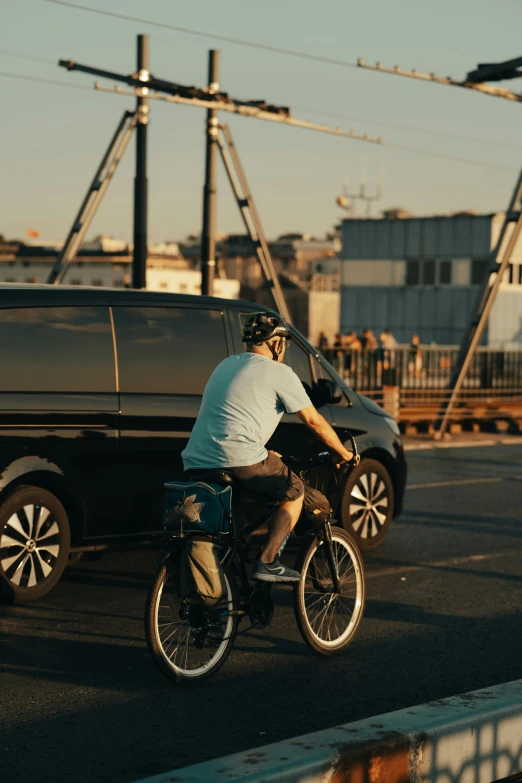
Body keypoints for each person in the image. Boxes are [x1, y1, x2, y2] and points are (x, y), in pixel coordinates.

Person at [182, 312, 354, 583]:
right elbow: (314, 421)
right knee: (294, 491)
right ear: (276, 344)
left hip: (196, 460)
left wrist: (261, 453)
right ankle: (268, 561)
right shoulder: (279, 372)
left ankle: (228, 585)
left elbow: (232, 417)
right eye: (284, 343)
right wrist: (344, 454)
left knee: (233, 529)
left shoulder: (225, 364)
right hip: (239, 458)